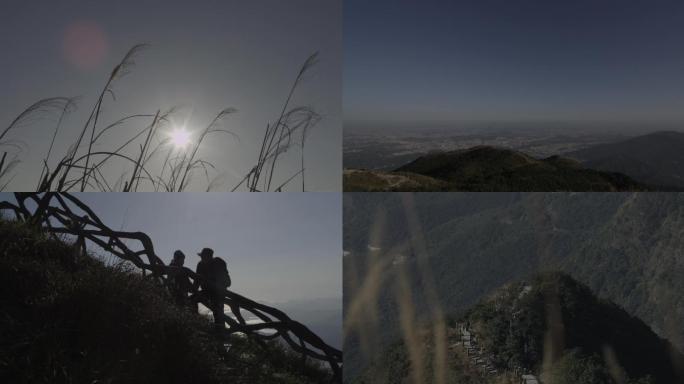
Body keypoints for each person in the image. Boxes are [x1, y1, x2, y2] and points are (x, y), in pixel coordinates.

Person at [192, 248, 231, 327]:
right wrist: (193, 290)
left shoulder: (218, 263)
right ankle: (195, 322)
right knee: (192, 300)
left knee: (218, 313)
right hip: (206, 291)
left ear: (209, 256)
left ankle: (220, 332)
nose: (202, 258)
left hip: (218, 293)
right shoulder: (200, 264)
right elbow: (197, 281)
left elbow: (227, 282)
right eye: (201, 256)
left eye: (203, 256)